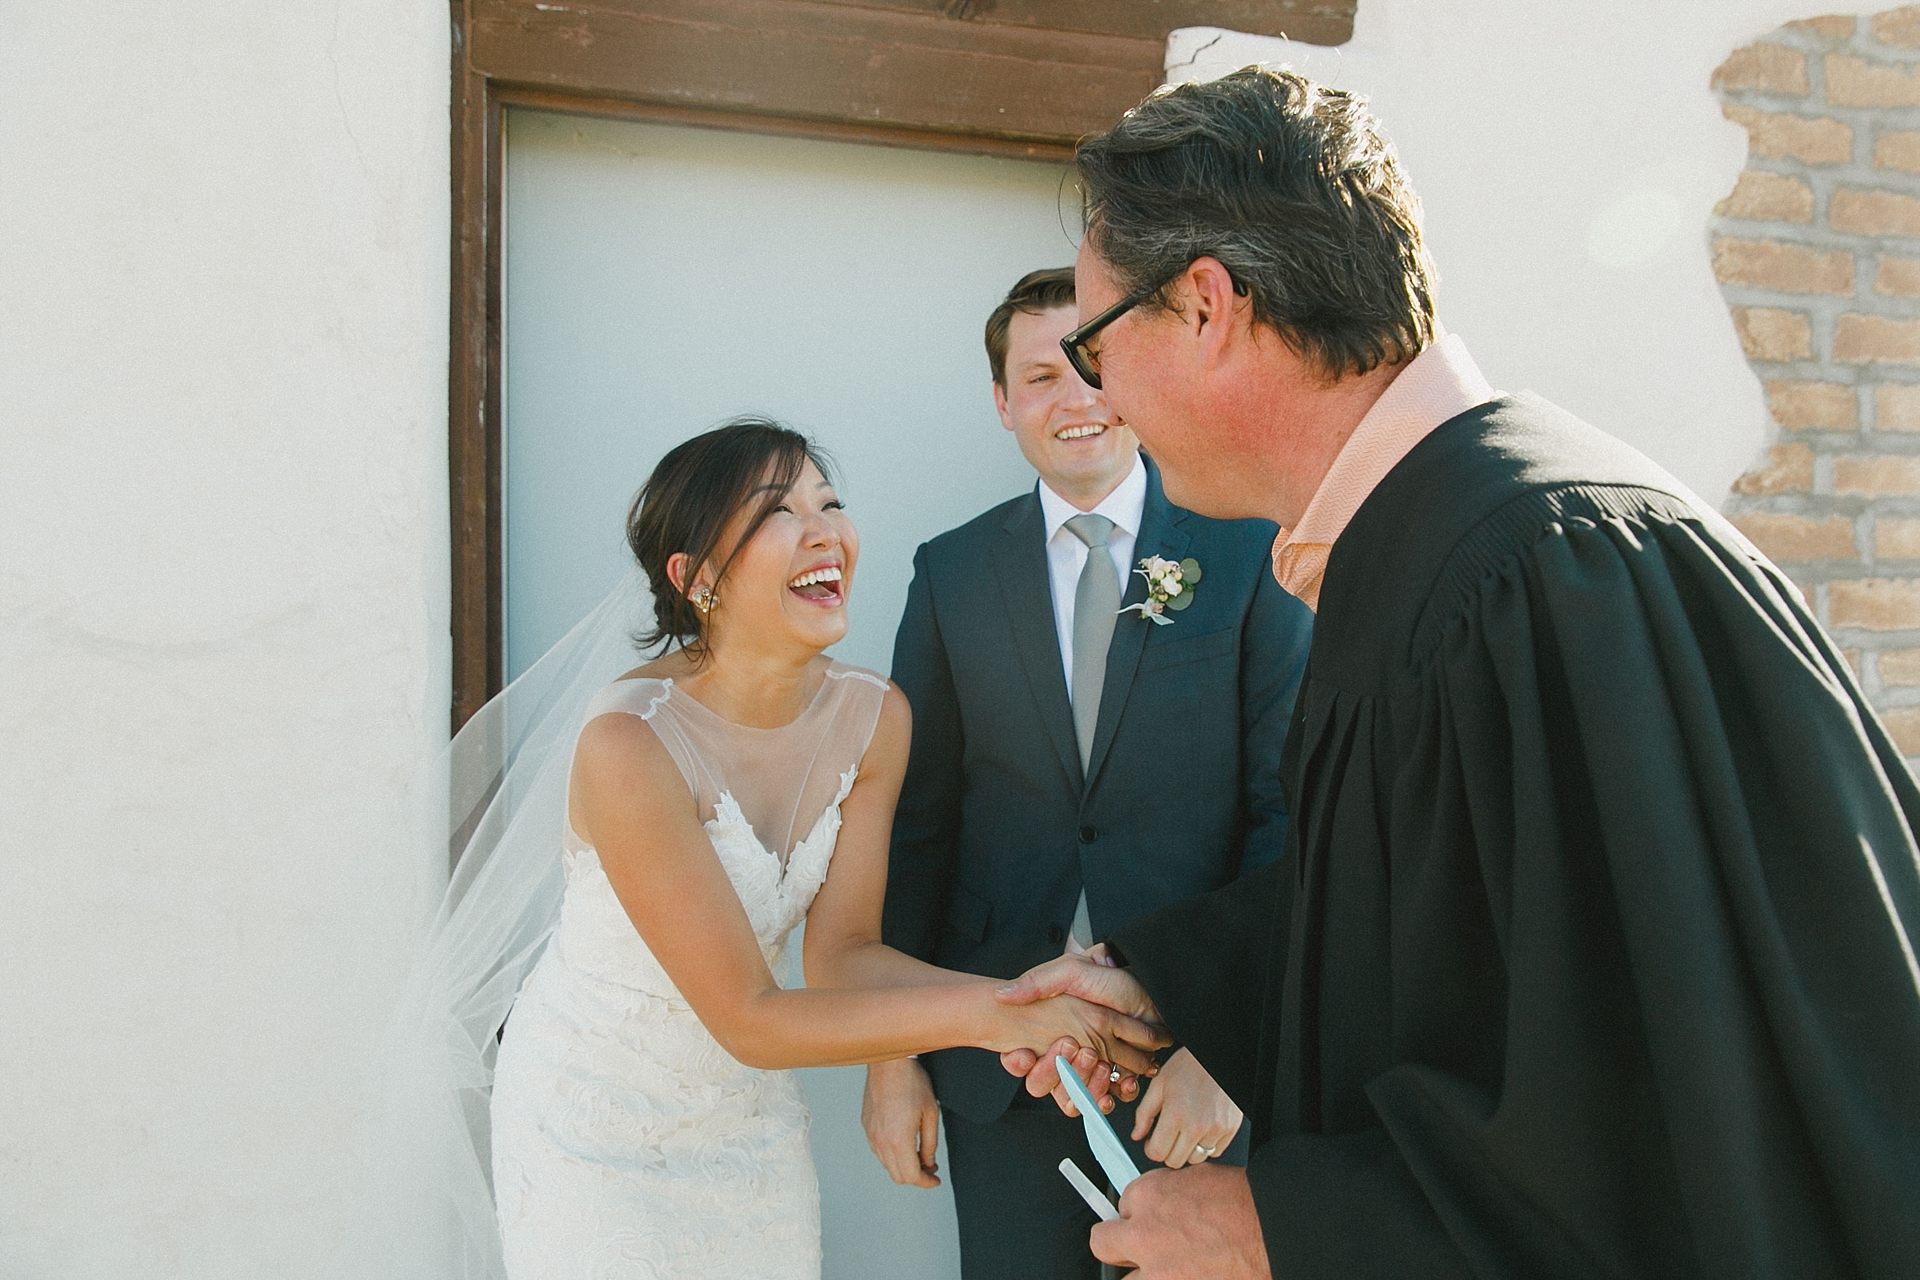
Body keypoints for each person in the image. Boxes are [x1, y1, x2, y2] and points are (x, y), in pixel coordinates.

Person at [997, 68, 1920, 1278]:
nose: (1099, 397)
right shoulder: (1445, 548)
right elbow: (1468, 920)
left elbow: (1667, 1091)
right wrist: (1172, 980)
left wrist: (1285, 1224)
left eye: (1095, 346)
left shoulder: (1537, 576)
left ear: (1207, 306)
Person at [483, 418, 1167, 1280]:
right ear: (695, 579)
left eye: (830, 501)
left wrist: (1029, 997)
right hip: (592, 1124)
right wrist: (1008, 1018)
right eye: (777, 511)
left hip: (744, 1125)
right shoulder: (631, 746)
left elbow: (844, 958)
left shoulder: (873, 716)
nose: (825, 532)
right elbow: (750, 1016)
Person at [860, 269, 1312, 1279]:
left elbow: (1289, 817)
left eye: (1091, 366)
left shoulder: (1247, 550)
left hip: (1185, 1073)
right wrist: (892, 1059)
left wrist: (1226, 1047)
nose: (1072, 399)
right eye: (1037, 376)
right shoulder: (952, 574)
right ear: (1003, 403)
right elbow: (917, 827)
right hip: (1002, 1069)